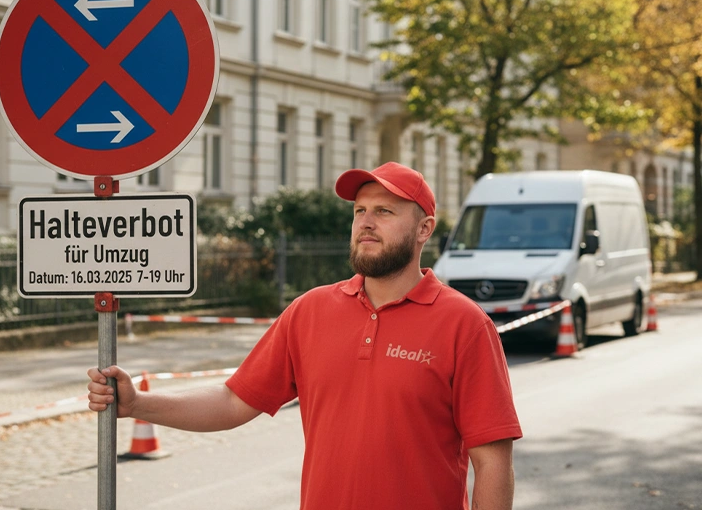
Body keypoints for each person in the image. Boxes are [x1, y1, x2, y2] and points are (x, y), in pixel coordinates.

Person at [88, 161, 522, 510]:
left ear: (424, 229)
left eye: (384, 211)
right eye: (359, 211)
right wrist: (139, 404)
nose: (366, 222)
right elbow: (233, 401)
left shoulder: (464, 324)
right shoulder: (310, 311)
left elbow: (492, 463)